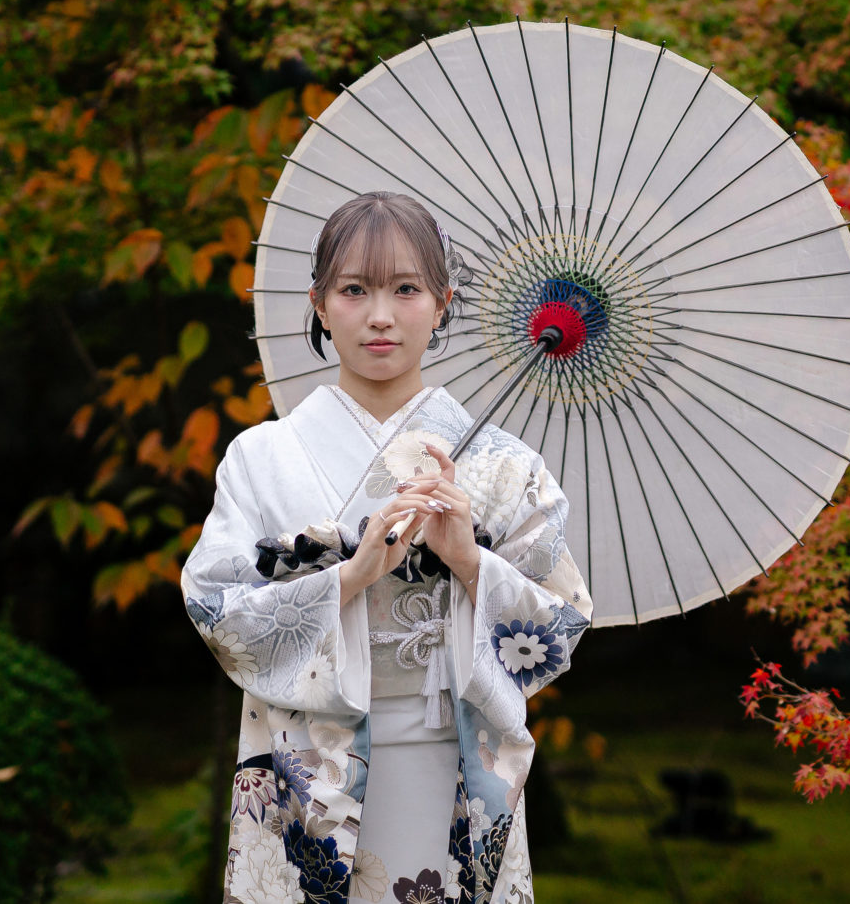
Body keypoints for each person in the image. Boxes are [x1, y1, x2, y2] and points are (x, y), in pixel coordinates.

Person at [182, 191, 591, 904]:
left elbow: (562, 622)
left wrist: (468, 558)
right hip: (307, 769)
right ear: (318, 302)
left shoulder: (501, 466)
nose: (380, 314)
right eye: (354, 289)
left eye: (406, 288)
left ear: (442, 303)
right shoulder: (260, 456)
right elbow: (217, 610)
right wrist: (350, 574)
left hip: (451, 760)